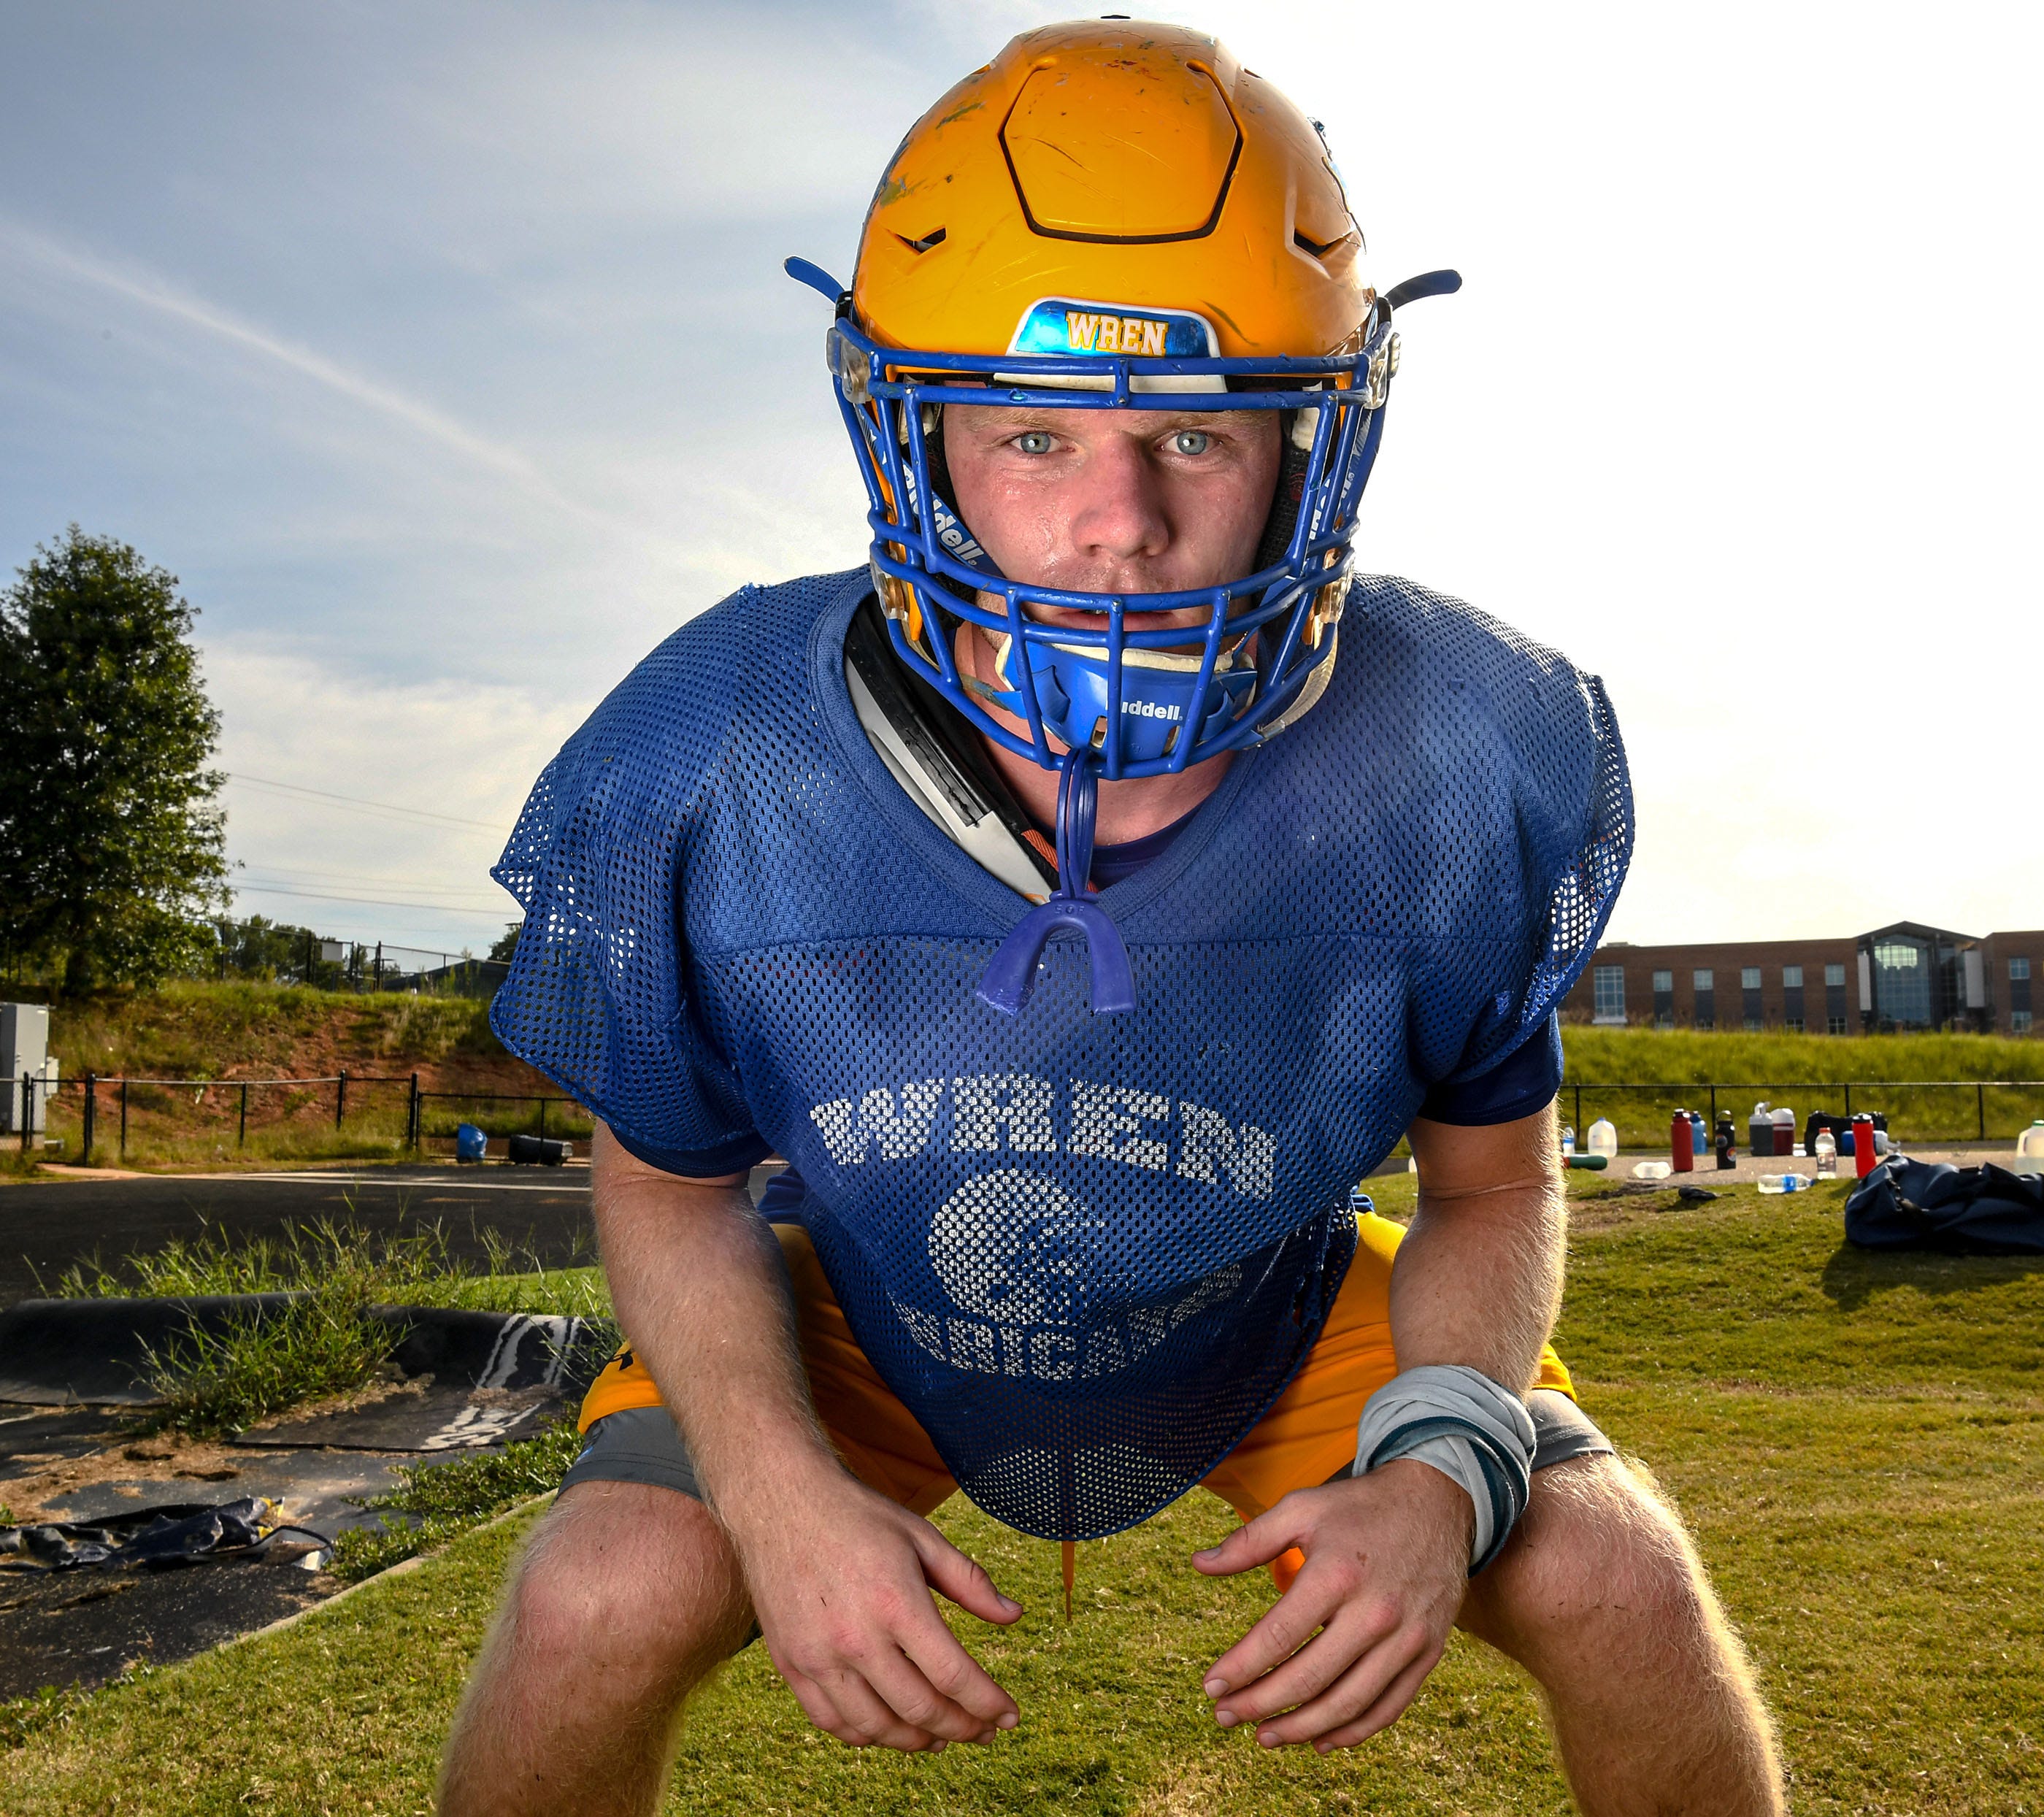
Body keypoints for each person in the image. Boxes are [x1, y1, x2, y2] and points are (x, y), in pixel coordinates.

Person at [439, 21, 1783, 1815]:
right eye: (1033, 434)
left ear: (1317, 451)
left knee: (1611, 1574)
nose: (1116, 526)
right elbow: (670, 1185)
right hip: (871, 1309)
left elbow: (1493, 1180)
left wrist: (1442, 1465)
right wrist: (772, 1494)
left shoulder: (1463, 743)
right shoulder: (716, 745)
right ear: (912, 439)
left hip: (1278, 1296)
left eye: (1199, 442)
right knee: (604, 1590)